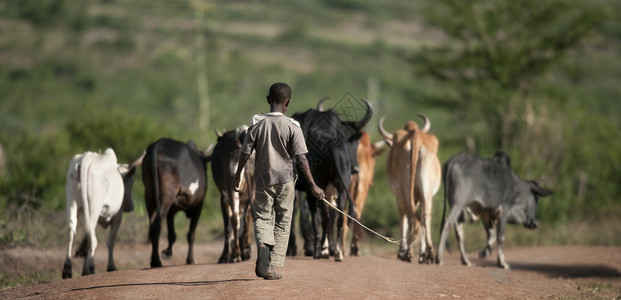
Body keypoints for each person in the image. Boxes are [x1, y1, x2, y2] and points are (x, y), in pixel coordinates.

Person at [233, 82, 324, 280]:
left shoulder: (256, 123)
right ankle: (272, 265)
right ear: (288, 103)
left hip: (263, 180)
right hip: (286, 180)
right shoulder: (294, 126)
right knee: (283, 221)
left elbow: (245, 152)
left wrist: (237, 174)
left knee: (263, 216)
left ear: (268, 100)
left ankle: (263, 245)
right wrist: (313, 185)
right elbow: (301, 159)